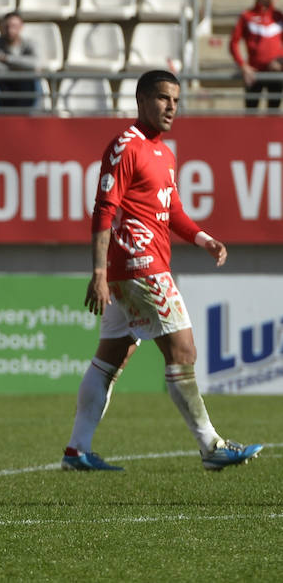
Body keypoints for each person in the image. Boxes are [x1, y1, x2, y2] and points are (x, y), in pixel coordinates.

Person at [62, 70, 263, 473]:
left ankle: (77, 450)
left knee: (112, 357)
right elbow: (105, 208)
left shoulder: (165, 153)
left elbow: (172, 211)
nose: (171, 107)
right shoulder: (125, 146)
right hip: (140, 265)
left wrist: (204, 238)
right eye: (162, 99)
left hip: (138, 268)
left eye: (175, 100)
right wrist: (98, 273)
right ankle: (211, 446)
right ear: (141, 101)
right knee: (183, 350)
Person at [228, 0, 283, 111]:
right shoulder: (247, 16)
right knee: (251, 116)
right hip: (254, 74)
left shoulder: (279, 17)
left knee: (273, 116)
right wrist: (243, 66)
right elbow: (233, 43)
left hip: (275, 75)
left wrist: (281, 63)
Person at [0, 12, 42, 109]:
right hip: (1, 85)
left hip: (24, 87)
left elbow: (36, 64)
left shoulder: (30, 43)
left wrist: (6, 58)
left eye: (14, 26)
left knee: (34, 81)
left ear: (21, 27)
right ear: (1, 27)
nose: (10, 30)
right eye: (6, 26)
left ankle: (29, 118)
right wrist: (21, 68)